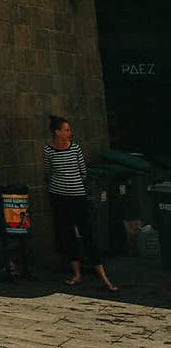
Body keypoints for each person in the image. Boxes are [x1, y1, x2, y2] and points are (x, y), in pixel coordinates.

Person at [44, 115, 118, 292]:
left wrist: (74, 185)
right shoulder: (48, 151)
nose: (70, 133)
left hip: (77, 196)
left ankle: (103, 277)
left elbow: (83, 172)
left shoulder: (75, 149)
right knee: (67, 234)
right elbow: (49, 172)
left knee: (87, 234)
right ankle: (76, 274)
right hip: (59, 196)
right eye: (66, 130)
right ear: (57, 132)